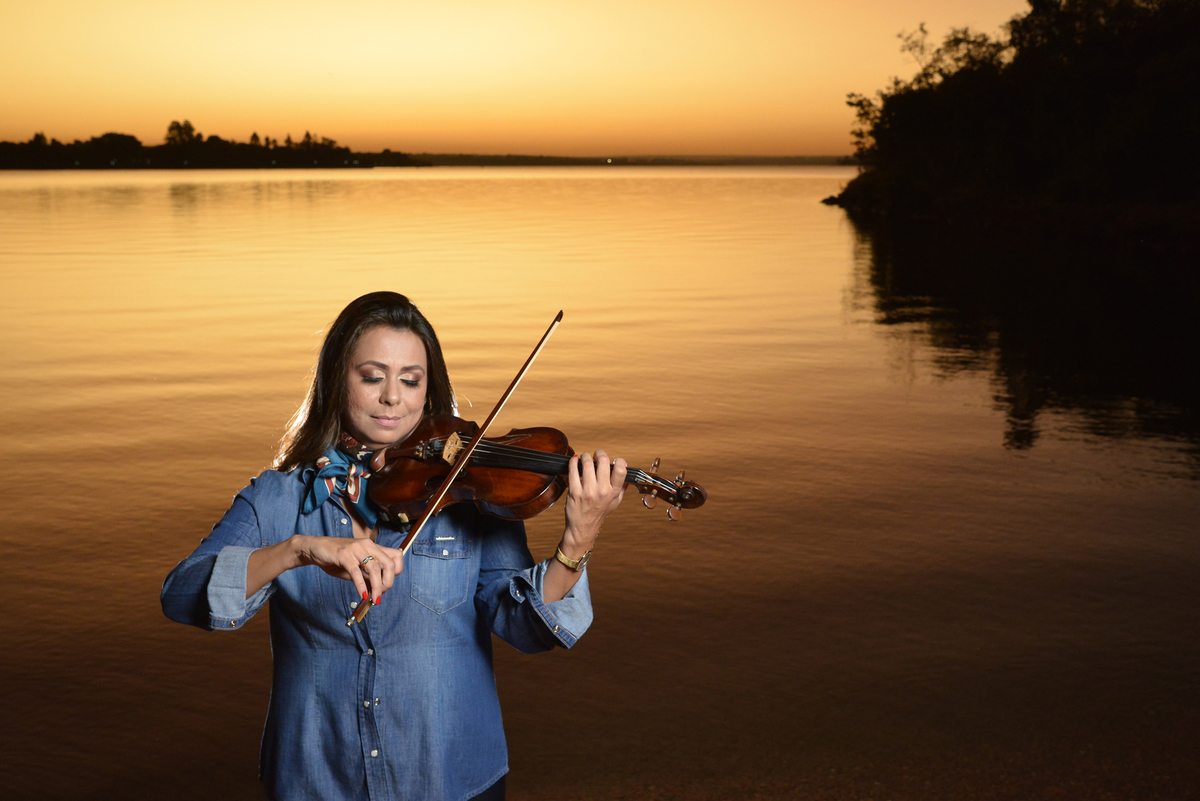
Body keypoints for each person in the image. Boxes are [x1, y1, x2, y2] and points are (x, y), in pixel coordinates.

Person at [161, 291, 626, 801]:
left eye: (410, 380)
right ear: (337, 380)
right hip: (317, 779)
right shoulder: (278, 497)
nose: (392, 398)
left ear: (428, 391)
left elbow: (526, 628)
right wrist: (298, 550)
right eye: (371, 377)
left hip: (450, 778)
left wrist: (578, 538)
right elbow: (182, 595)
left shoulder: (466, 490)